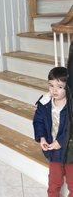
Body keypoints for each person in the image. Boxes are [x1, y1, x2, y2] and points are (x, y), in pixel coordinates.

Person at [33, 66, 73, 196]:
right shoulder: (44, 103)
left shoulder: (70, 106)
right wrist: (42, 138)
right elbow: (38, 121)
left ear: (67, 87)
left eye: (59, 86)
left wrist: (61, 141)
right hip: (54, 151)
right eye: (51, 85)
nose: (54, 90)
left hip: (70, 151)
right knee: (54, 182)